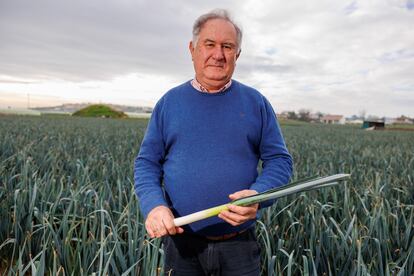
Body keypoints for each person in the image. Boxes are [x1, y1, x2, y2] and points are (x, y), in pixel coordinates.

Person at [134, 9, 293, 275]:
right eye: (209, 44)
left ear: (237, 55)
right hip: (182, 245)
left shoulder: (256, 103)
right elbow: (147, 163)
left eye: (227, 46)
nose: (218, 55)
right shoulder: (169, 103)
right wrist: (154, 205)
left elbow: (280, 161)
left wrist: (259, 195)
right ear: (192, 49)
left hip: (239, 246)